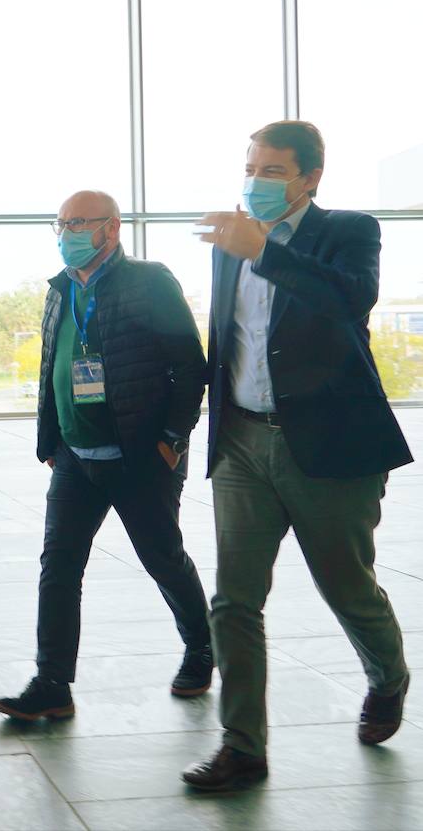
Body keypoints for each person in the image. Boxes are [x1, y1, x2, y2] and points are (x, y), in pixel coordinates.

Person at [182, 121, 413, 792]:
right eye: (252, 167)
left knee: (346, 587)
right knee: (234, 600)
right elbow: (228, 338)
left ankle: (388, 677)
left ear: (311, 178)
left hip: (329, 443)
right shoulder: (232, 243)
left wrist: (266, 251)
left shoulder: (348, 230)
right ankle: (242, 747)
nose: (257, 180)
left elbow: (349, 299)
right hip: (242, 442)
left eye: (274, 170)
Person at [0, 190, 212, 723]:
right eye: (61, 224)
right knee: (59, 566)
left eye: (78, 223)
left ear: (111, 228)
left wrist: (172, 438)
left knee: (162, 557)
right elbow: (52, 366)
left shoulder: (149, 281)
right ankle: (52, 684)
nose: (66, 233)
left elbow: (190, 366)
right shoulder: (60, 290)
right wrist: (51, 439)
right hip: (75, 456)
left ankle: (202, 648)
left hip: (139, 456)